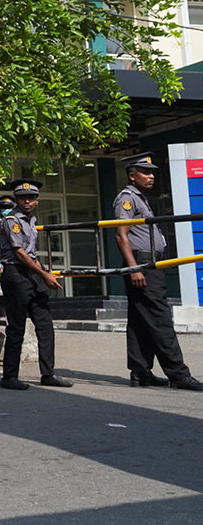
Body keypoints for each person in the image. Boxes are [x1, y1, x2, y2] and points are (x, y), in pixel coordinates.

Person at [113, 153, 203, 391]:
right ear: (132, 175)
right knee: (161, 319)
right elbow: (121, 236)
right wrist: (134, 268)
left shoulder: (140, 198)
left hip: (146, 264)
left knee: (140, 321)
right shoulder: (127, 199)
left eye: (152, 172)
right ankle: (178, 374)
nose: (151, 176)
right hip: (142, 265)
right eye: (146, 172)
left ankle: (140, 372)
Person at [0, 178, 73, 390]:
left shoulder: (31, 221)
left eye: (31, 197)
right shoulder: (11, 221)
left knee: (45, 326)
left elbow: (32, 254)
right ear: (16, 200)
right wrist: (44, 274)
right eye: (22, 197)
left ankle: (48, 373)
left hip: (31, 273)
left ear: (37, 200)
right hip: (15, 274)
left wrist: (44, 275)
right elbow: (19, 253)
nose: (27, 201)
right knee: (17, 327)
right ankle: (9, 377)